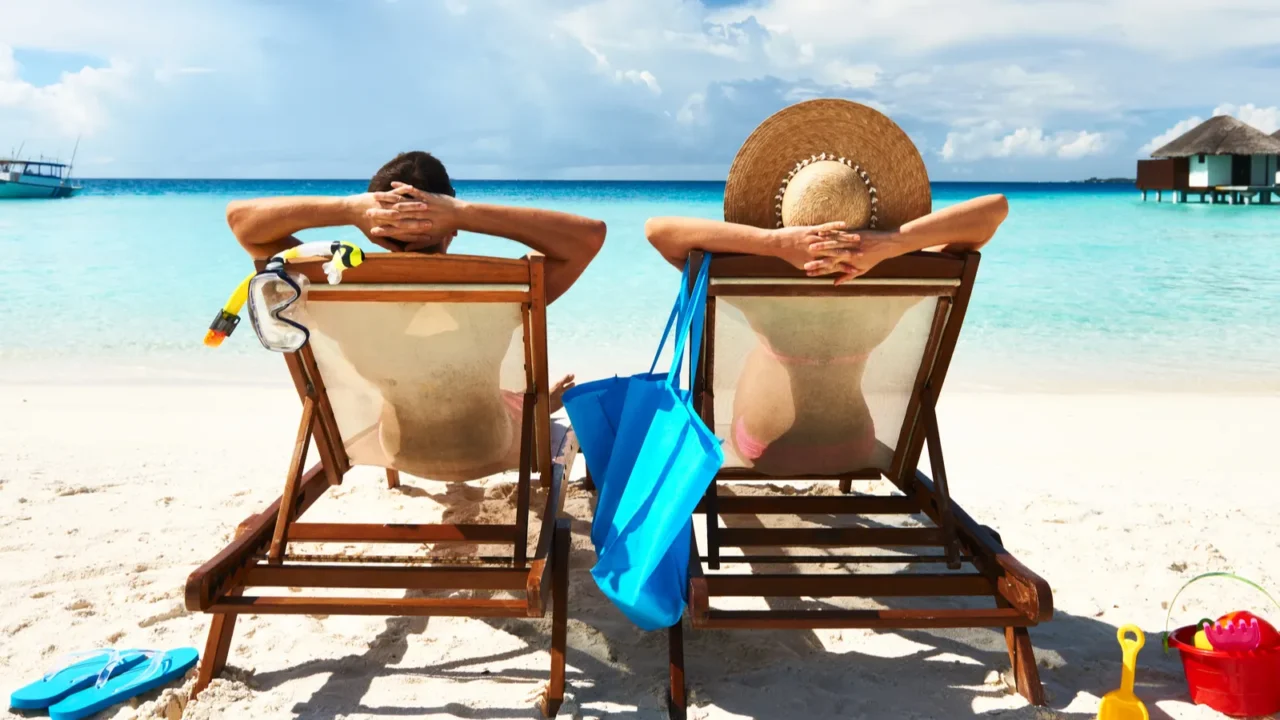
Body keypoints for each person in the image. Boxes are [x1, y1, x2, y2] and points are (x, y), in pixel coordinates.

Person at [644, 99, 1009, 475]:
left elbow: (657, 231)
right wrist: (889, 245)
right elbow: (994, 210)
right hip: (854, 447)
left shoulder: (748, 280)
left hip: (763, 449)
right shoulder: (902, 282)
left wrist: (776, 244)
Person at [225, 151, 606, 480]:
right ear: (450, 225)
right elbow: (588, 238)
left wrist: (348, 209)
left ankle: (532, 403)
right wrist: (462, 214)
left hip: (399, 449)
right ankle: (539, 405)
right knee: (468, 377)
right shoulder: (503, 290)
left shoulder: (337, 290)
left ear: (375, 228)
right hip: (490, 446)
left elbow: (244, 226)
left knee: (435, 375)